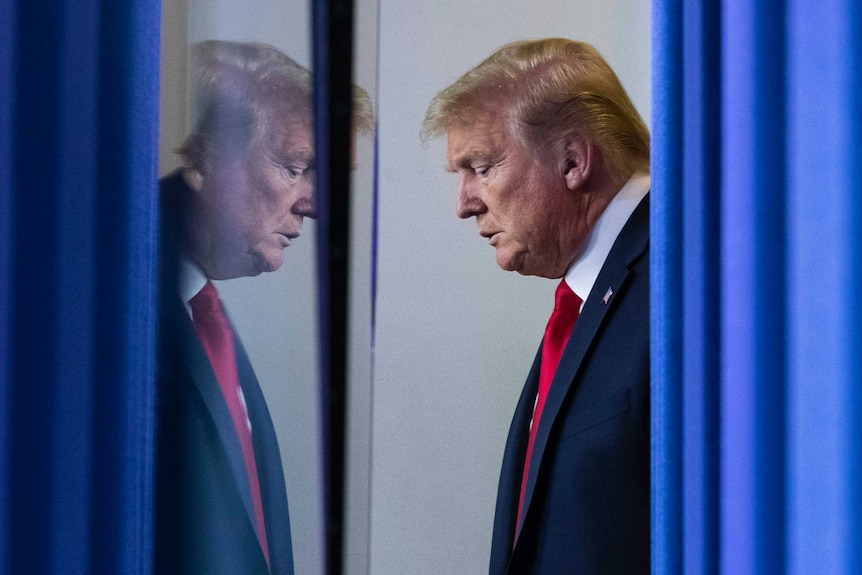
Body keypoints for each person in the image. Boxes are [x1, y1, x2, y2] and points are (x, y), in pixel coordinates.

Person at [422, 38, 650, 574]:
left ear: (572, 160)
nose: (464, 204)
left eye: (481, 166)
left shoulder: (685, 284)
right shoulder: (593, 292)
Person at [155, 40, 373, 574]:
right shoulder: (116, 317)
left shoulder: (203, 314)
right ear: (203, 157)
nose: (315, 203)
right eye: (295, 166)